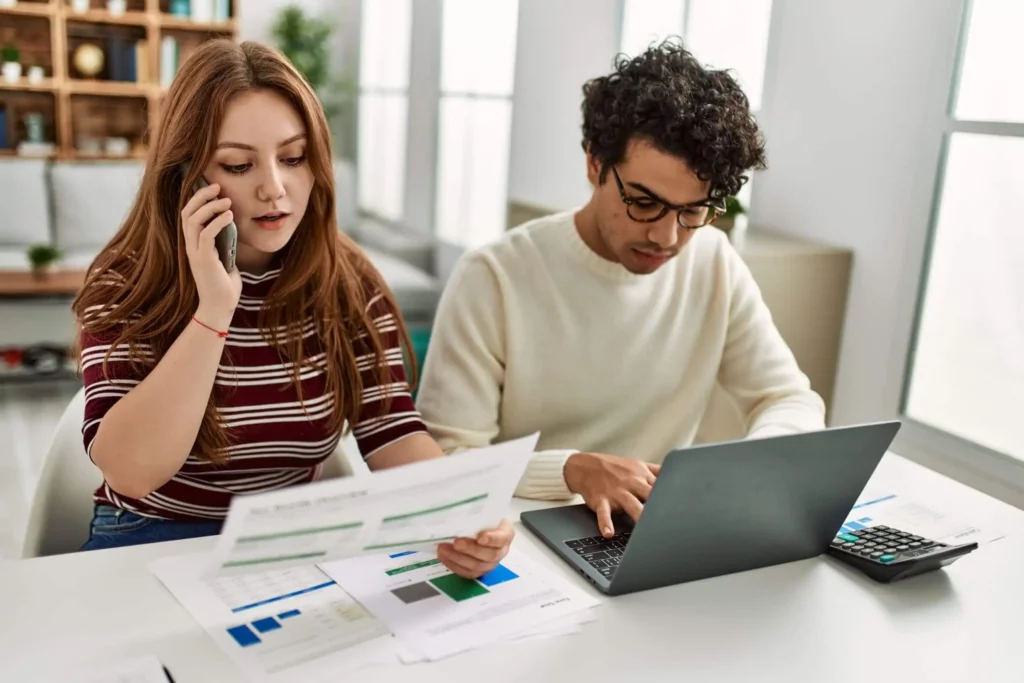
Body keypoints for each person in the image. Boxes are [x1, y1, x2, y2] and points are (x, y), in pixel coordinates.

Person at [71, 39, 511, 579]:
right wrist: (214, 310)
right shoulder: (125, 282)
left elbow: (391, 428)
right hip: (150, 535)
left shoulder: (346, 280)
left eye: (293, 158)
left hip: (287, 543)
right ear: (186, 176)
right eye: (238, 164)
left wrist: (466, 514)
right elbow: (131, 473)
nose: (274, 188)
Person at [416, 42, 826, 538]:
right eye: (643, 203)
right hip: (513, 537)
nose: (666, 237)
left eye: (692, 211)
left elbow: (789, 398)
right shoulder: (493, 276)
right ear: (594, 164)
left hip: (649, 531)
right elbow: (446, 460)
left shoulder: (713, 262)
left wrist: (751, 465)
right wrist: (571, 470)